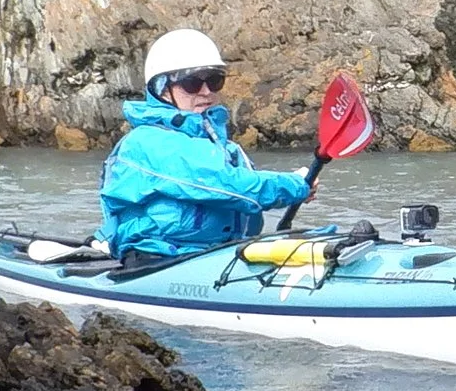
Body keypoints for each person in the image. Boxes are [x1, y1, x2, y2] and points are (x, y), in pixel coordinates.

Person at [99, 29, 311, 260]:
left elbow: (248, 195)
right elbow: (227, 185)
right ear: (162, 89)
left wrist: (298, 186)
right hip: (158, 259)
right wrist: (295, 185)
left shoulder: (224, 147)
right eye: (191, 83)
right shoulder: (147, 142)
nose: (206, 91)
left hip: (216, 255)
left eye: (214, 80)